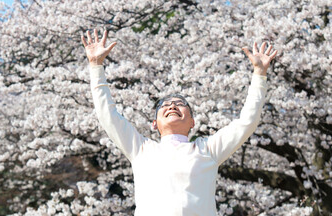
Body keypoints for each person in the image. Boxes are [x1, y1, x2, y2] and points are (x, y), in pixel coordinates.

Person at [81, 29, 278, 216]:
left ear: (192, 122)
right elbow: (108, 114)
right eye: (165, 105)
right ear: (154, 123)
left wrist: (259, 75)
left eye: (180, 104)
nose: (172, 106)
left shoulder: (207, 150)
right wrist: (96, 66)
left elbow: (247, 121)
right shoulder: (141, 149)